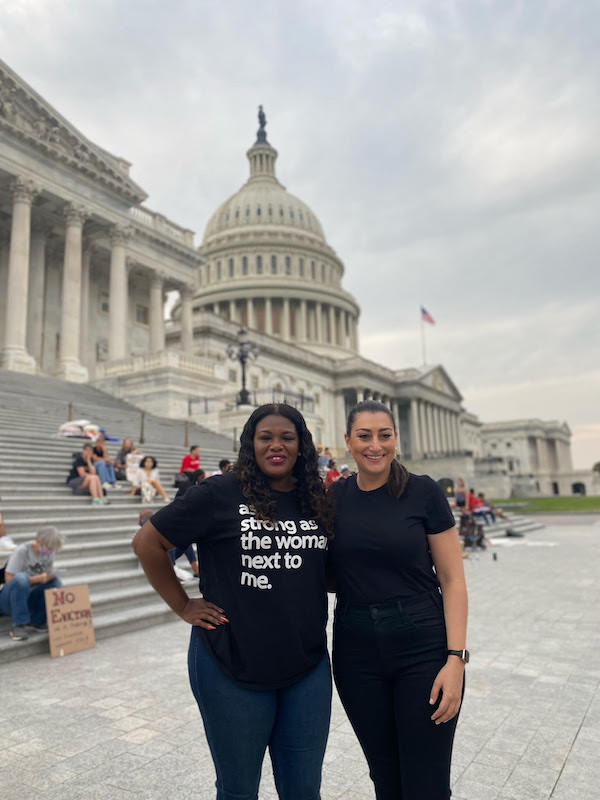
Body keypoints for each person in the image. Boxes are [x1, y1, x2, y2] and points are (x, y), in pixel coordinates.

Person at [133, 403, 334, 800]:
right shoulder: (220, 492)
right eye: (266, 437)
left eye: (287, 438)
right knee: (239, 789)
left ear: (301, 446)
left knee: (305, 789)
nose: (276, 446)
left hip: (306, 663)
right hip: (230, 662)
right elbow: (147, 542)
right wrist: (183, 605)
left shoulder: (315, 498)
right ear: (250, 444)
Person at [329, 400, 468, 799]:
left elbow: (452, 580)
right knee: (385, 779)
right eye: (364, 436)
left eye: (384, 435)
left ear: (395, 439)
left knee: (425, 783)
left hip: (421, 643)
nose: (376, 445)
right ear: (347, 442)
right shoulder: (333, 498)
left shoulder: (422, 492)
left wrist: (455, 659)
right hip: (356, 650)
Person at [0, 526, 65, 641]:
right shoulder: (22, 551)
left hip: (28, 595)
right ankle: (19, 626)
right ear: (39, 541)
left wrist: (49, 575)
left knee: (55, 582)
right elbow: (9, 579)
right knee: (21, 578)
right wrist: (35, 579)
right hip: (9, 599)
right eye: (48, 548)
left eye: (51, 550)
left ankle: (37, 621)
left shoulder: (49, 554)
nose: (49, 552)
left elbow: (46, 574)